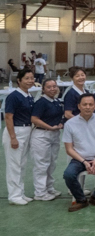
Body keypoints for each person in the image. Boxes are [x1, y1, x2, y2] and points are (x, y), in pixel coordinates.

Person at [3, 68, 36, 205]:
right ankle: (14, 195)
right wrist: (13, 137)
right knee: (14, 165)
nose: (30, 81)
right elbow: (8, 117)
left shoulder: (29, 96)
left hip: (27, 130)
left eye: (32, 78)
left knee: (22, 164)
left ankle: (20, 193)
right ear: (19, 80)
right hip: (16, 131)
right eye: (27, 78)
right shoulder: (14, 96)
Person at [30, 77, 64, 201]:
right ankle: (40, 192)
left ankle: (49, 188)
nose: (52, 89)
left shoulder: (56, 101)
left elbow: (59, 116)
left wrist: (60, 124)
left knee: (52, 163)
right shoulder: (41, 102)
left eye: (54, 86)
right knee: (41, 164)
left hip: (54, 135)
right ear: (43, 89)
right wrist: (49, 127)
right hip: (42, 135)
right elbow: (34, 119)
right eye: (49, 87)